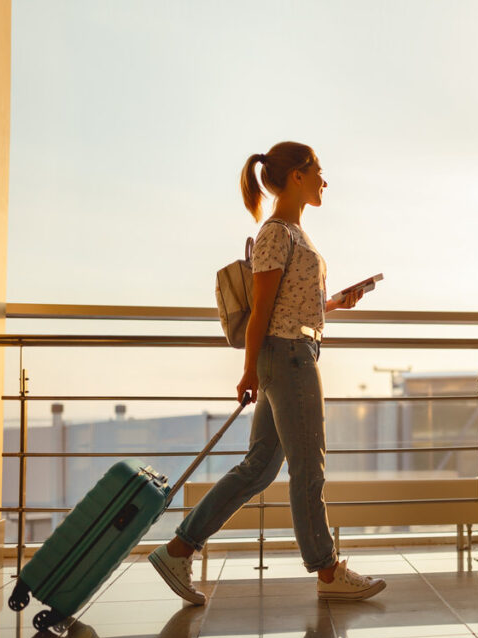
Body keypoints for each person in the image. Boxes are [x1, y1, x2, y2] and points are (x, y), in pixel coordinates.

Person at [149, 141, 386, 604]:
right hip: (288, 357)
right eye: (318, 170)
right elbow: (259, 313)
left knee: (258, 468)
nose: (324, 180)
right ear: (297, 175)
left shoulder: (294, 232)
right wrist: (249, 371)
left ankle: (178, 549)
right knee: (307, 467)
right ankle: (327, 569)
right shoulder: (277, 232)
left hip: (294, 351)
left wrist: (334, 302)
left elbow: (289, 304)